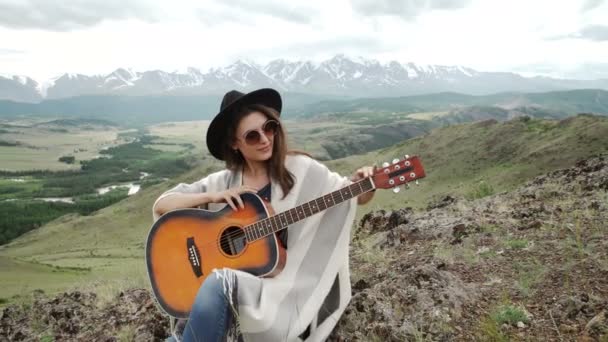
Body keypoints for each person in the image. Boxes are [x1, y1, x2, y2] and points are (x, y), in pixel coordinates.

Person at [152, 88, 375, 342]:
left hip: (283, 294)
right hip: (239, 292)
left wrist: (365, 183)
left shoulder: (302, 170)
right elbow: (163, 204)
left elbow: (351, 195)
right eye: (252, 136)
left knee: (215, 286)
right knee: (216, 287)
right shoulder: (224, 182)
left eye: (269, 128)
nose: (265, 139)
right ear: (235, 144)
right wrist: (211, 197)